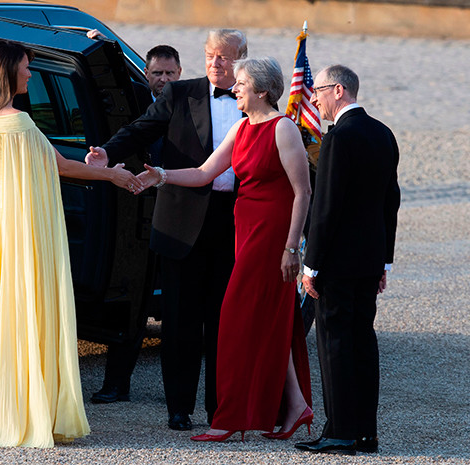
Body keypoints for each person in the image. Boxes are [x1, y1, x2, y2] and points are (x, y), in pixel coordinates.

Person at [0, 40, 142, 448]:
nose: (31, 74)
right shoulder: (18, 123)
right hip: (18, 227)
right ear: (9, 72)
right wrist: (113, 175)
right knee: (21, 310)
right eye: (26, 68)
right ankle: (16, 410)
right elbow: (60, 166)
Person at [137, 56, 313, 442]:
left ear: (262, 91)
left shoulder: (283, 128)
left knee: (234, 320)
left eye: (242, 84)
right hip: (244, 230)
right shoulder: (241, 127)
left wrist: (291, 248)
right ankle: (296, 405)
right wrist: (161, 176)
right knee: (263, 319)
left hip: (271, 235)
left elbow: (303, 192)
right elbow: (204, 173)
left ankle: (229, 418)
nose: (234, 89)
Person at [86, 29, 247, 430]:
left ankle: (221, 409)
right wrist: (108, 151)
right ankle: (179, 407)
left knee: (224, 321)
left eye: (225, 56)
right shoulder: (180, 93)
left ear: (241, 59)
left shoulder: (253, 98)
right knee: (179, 320)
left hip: (234, 220)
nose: (215, 62)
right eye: (210, 54)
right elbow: (140, 129)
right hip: (180, 220)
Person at [295, 65, 400, 456]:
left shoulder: (339, 136)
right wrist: (384, 260)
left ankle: (340, 432)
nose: (315, 99)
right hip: (369, 260)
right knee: (362, 342)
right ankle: (365, 433)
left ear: (338, 90)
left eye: (319, 90)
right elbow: (391, 201)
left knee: (335, 343)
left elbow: (326, 206)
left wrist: (311, 264)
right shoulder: (383, 133)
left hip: (337, 263)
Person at [91, 44, 182, 404]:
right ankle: (117, 383)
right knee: (131, 303)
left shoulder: (190, 104)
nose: (164, 80)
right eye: (157, 73)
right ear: (145, 74)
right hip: (132, 218)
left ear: (180, 73)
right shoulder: (130, 101)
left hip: (176, 216)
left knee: (177, 307)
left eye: (170, 73)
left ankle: (176, 394)